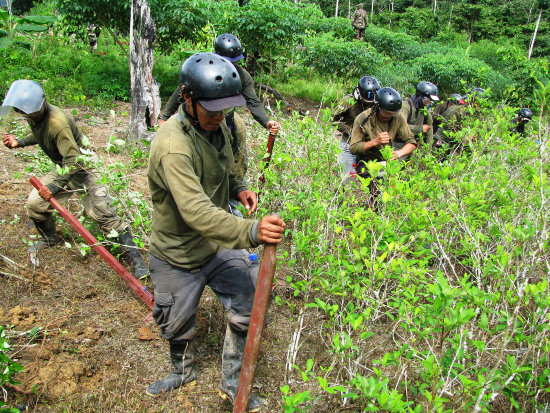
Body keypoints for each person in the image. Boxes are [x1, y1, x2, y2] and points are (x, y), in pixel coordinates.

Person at [146, 53, 285, 412]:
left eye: (225, 110)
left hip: (215, 247)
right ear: (187, 99)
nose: (219, 116)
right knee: (174, 325)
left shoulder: (217, 126)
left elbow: (223, 171)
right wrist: (251, 230)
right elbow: (197, 212)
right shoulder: (172, 145)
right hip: (177, 253)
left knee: (249, 302)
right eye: (211, 109)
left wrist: (237, 189)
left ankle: (231, 383)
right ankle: (181, 371)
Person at [0, 79, 148, 279]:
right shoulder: (34, 114)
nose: (24, 115)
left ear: (41, 105)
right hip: (64, 168)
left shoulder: (56, 122)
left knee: (103, 215)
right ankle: (51, 238)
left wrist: (53, 186)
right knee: (35, 204)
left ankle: (136, 261)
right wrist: (21, 142)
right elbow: (42, 134)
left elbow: (74, 158)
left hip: (83, 167)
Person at [158, 33, 279, 136]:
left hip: (226, 116)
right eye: (226, 61)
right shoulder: (202, 71)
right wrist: (165, 117)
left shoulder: (241, 76)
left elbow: (253, 102)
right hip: (201, 117)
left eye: (233, 62)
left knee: (237, 138)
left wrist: (267, 121)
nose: (229, 65)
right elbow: (182, 90)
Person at [350, 86, 417, 167]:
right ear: (378, 108)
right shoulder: (363, 118)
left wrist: (399, 153)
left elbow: (411, 142)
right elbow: (353, 148)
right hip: (365, 163)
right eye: (386, 113)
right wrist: (375, 142)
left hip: (385, 163)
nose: (389, 117)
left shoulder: (397, 117)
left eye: (393, 114)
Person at [334, 76, 381, 176]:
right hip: (349, 144)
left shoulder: (378, 102)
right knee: (344, 176)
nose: (369, 104)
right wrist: (348, 130)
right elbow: (332, 119)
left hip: (368, 145)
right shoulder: (348, 101)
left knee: (372, 176)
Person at [400, 81, 439, 147]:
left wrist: (427, 152)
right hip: (399, 143)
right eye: (430, 99)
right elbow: (400, 128)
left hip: (414, 145)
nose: (431, 102)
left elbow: (429, 129)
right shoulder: (405, 107)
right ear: (423, 97)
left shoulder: (424, 109)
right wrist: (420, 129)